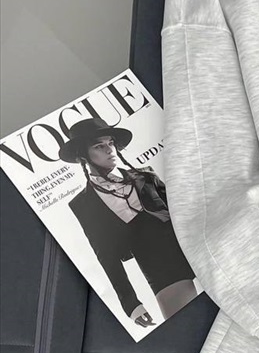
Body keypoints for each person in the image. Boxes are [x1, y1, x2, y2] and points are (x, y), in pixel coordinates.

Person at [58, 116, 197, 326]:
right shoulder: (84, 204)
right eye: (99, 146)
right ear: (83, 155)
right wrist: (131, 304)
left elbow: (185, 210)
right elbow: (106, 256)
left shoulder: (146, 176)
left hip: (192, 244)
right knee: (187, 325)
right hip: (158, 265)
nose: (109, 150)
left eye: (111, 143)